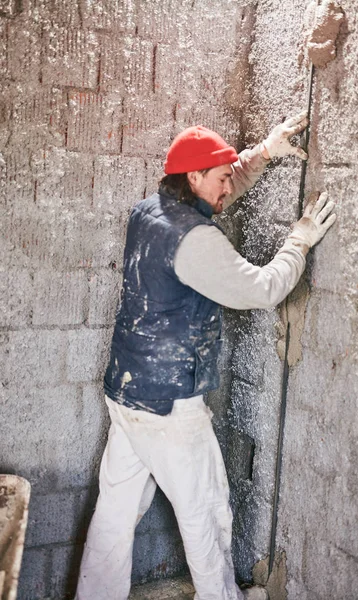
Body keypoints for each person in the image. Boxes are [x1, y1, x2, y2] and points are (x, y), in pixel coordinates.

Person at [75, 112, 336, 600]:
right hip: (170, 407)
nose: (226, 187)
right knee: (206, 513)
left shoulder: (150, 211)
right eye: (219, 176)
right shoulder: (196, 241)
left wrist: (262, 152)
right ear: (193, 177)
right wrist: (298, 241)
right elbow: (262, 289)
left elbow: (219, 191)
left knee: (114, 511)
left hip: (128, 390)